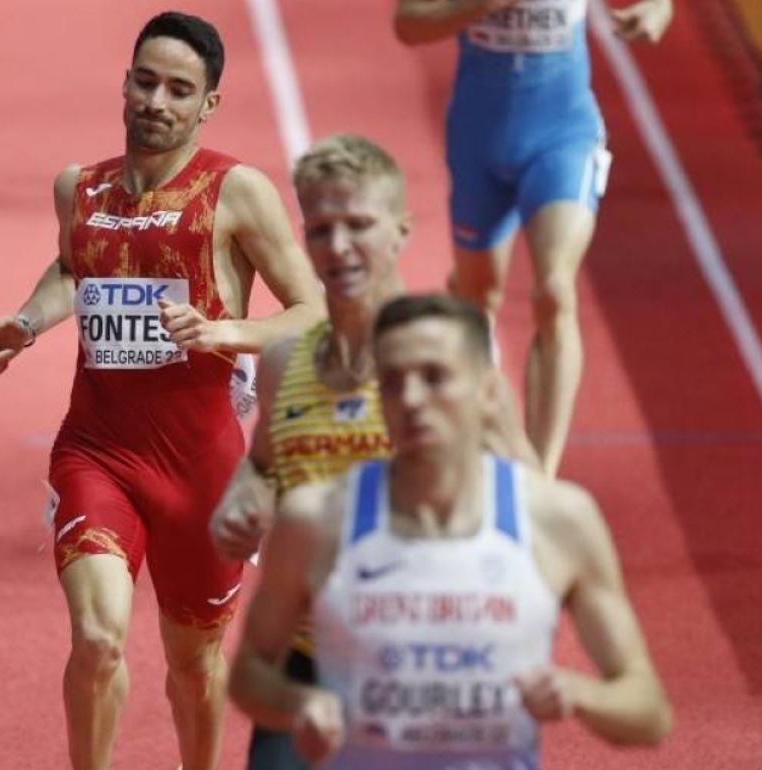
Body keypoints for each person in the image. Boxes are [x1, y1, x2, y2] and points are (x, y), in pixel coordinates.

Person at [0, 11, 323, 770]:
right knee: (97, 638)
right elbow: (73, 268)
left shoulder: (238, 192)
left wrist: (229, 333)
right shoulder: (80, 187)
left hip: (202, 468)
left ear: (209, 105)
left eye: (179, 89)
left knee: (193, 667)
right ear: (123, 83)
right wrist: (28, 324)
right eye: (146, 81)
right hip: (99, 451)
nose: (157, 101)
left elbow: (315, 307)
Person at [229, 293, 673, 769]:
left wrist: (579, 693)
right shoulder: (315, 521)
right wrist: (301, 704)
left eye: (435, 377)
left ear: (487, 391)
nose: (412, 399)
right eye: (393, 383)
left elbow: (648, 710)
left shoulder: (557, 520)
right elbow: (249, 675)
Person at [210, 135, 536, 769]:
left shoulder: (449, 356)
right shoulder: (284, 363)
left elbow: (524, 494)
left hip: (430, 667)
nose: (338, 247)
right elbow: (264, 467)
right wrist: (243, 495)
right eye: (322, 228)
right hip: (308, 666)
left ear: (401, 231)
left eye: (358, 225)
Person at [393, 0, 674, 474]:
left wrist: (658, 9)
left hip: (562, 135)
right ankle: (481, 429)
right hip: (477, 138)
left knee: (555, 290)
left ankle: (542, 477)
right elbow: (409, 23)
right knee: (478, 296)